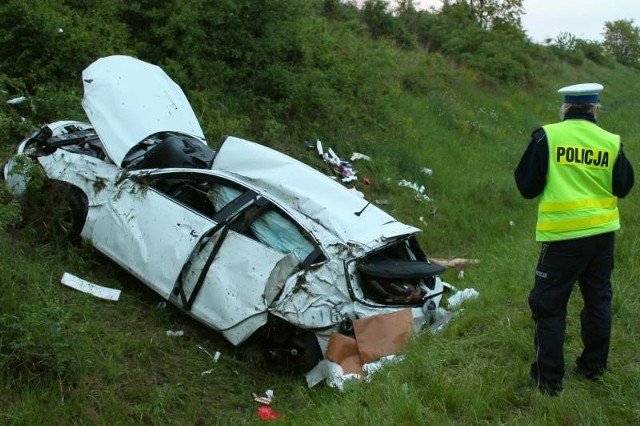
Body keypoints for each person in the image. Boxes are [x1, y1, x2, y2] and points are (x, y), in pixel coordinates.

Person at [514, 83, 634, 396]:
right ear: (595, 108)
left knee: (549, 306)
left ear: (565, 108)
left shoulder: (548, 137)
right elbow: (623, 186)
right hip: (602, 237)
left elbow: (526, 186)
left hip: (563, 238)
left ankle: (547, 382)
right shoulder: (610, 142)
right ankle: (593, 370)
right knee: (598, 301)